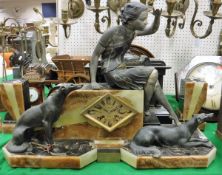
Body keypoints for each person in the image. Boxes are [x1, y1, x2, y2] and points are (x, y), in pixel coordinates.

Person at [90, 2, 180, 125]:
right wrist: (93, 81)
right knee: (153, 73)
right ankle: (145, 108)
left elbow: (153, 29)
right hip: (112, 72)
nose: (145, 22)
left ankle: (171, 114)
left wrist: (157, 17)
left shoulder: (132, 32)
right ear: (130, 20)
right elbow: (95, 55)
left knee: (154, 82)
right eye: (143, 20)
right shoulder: (112, 32)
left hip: (121, 68)